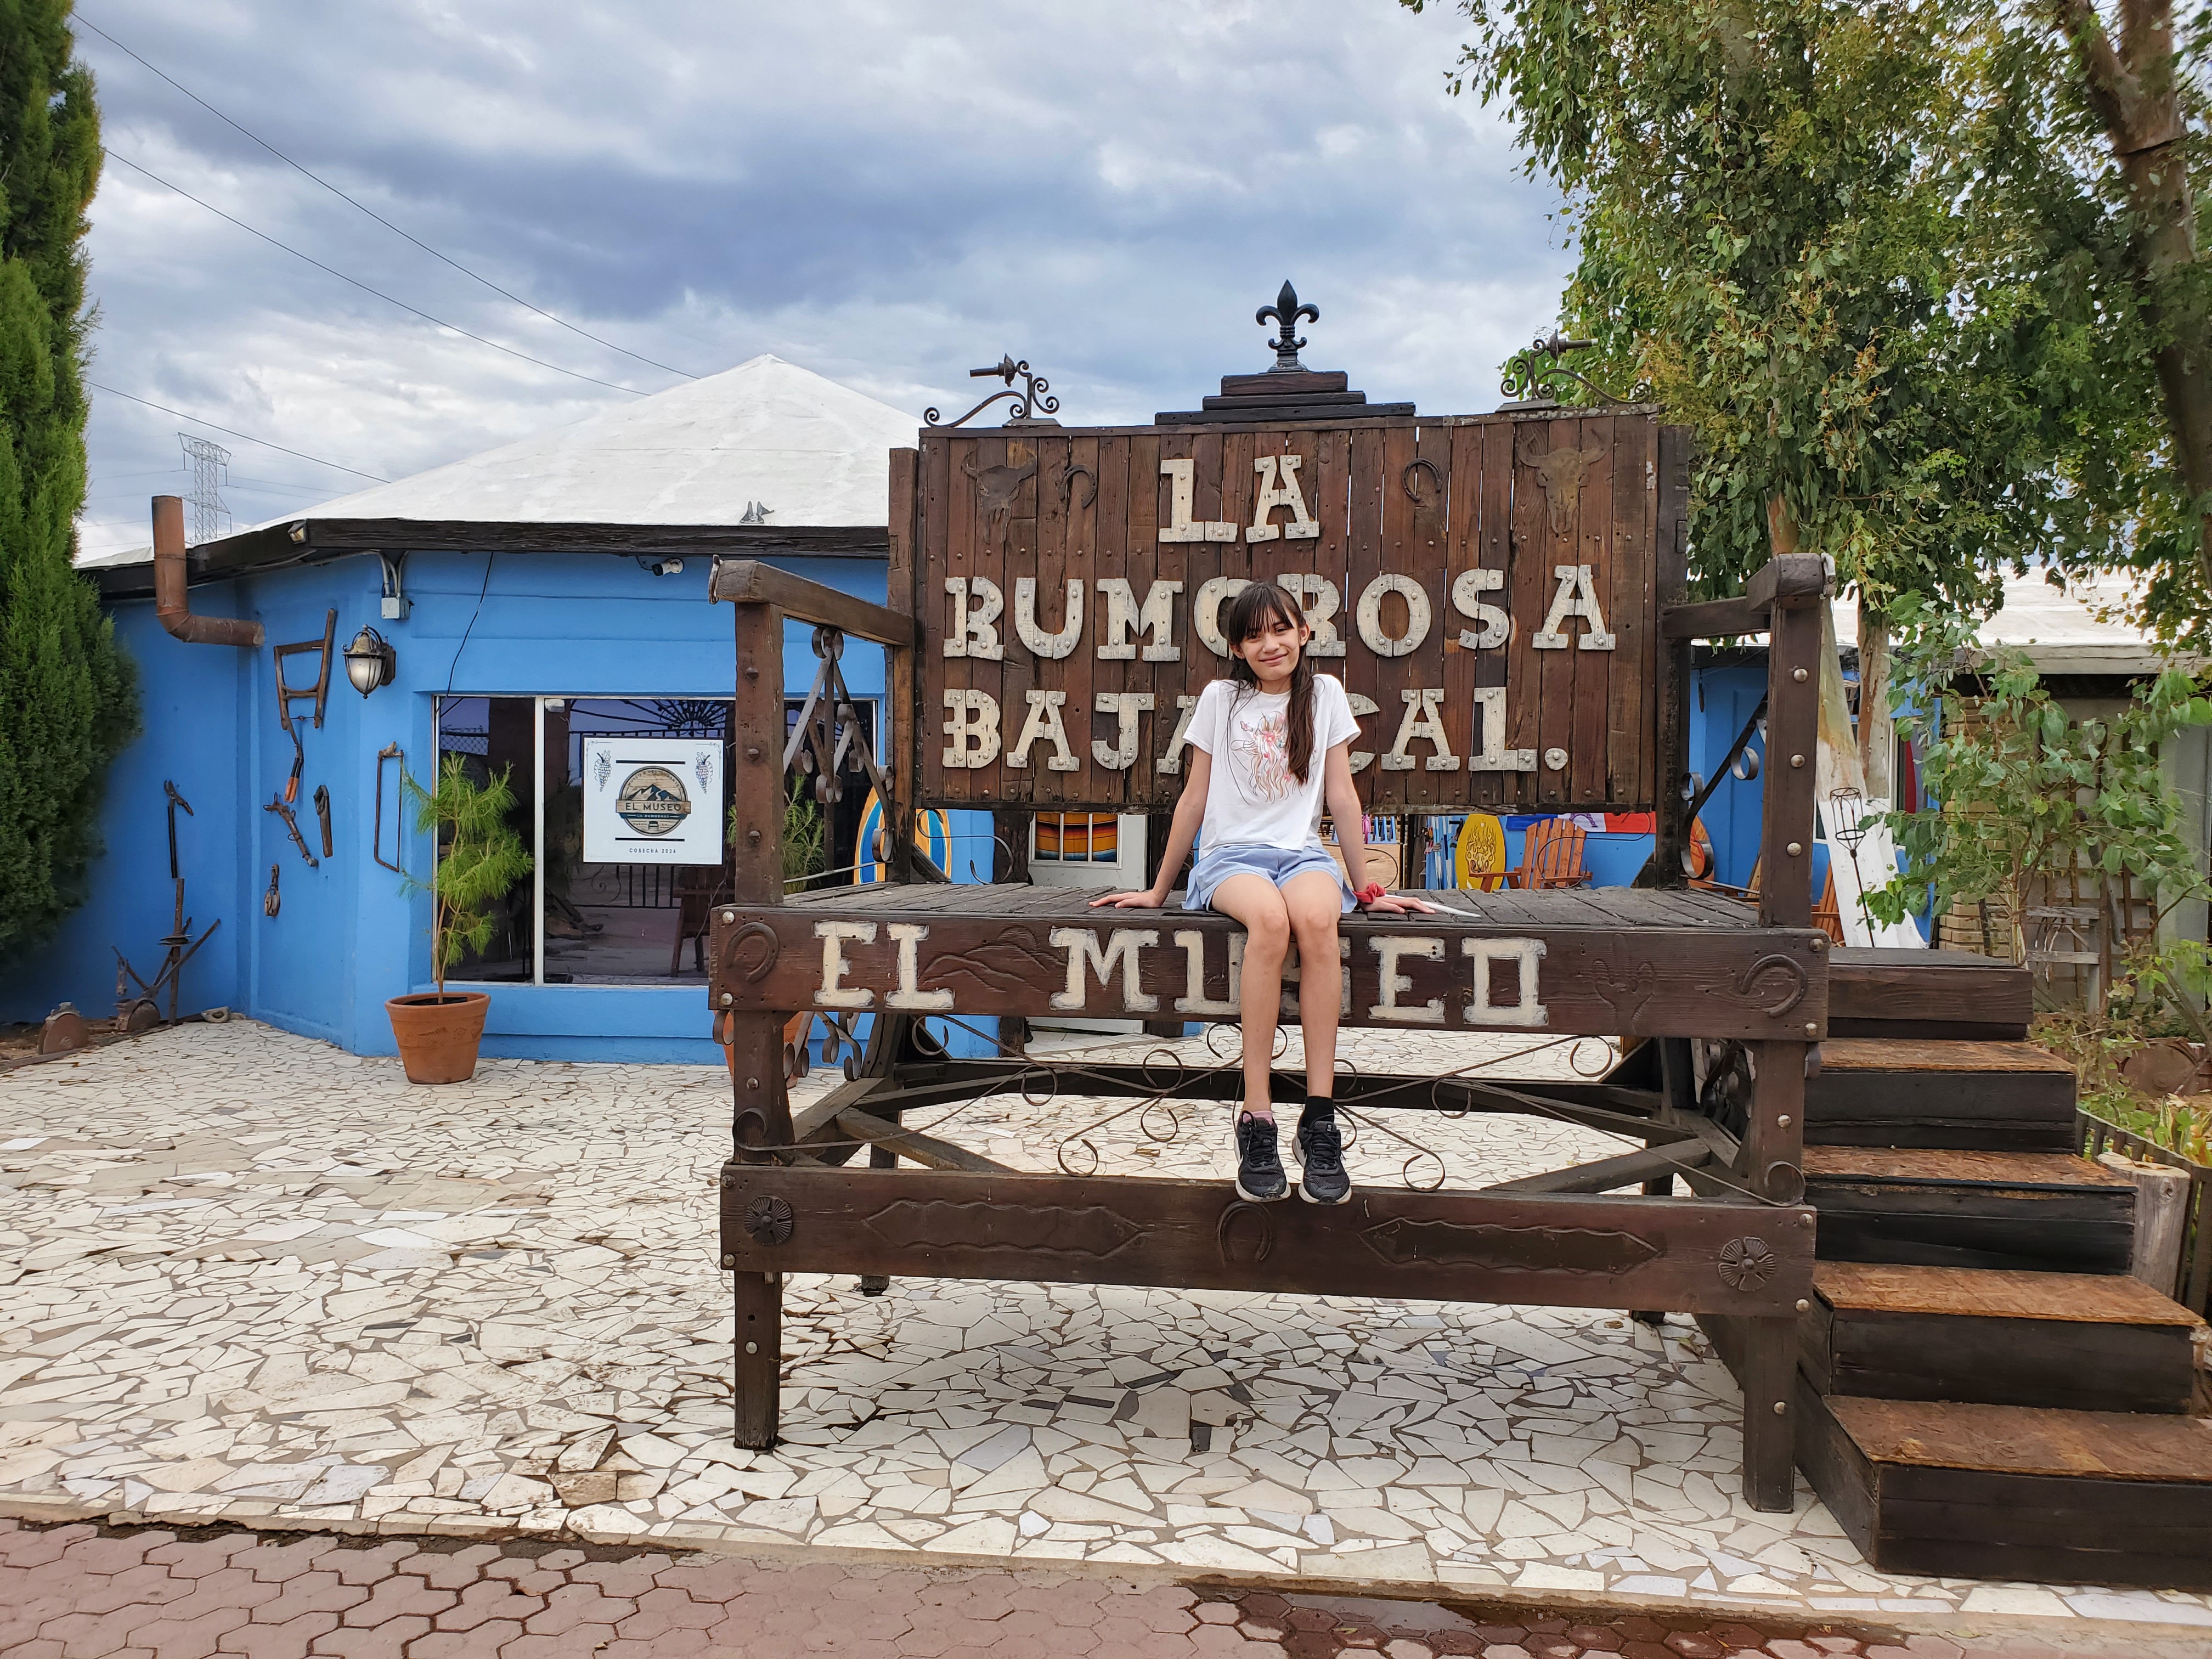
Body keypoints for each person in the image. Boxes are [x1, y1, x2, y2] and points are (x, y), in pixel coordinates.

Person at [1092, 579, 1435, 1205]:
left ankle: (1321, 1116)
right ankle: (1257, 1116)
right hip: (1232, 859)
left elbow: (1341, 795)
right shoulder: (1222, 698)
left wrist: (1365, 887)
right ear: (1237, 648)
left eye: (1281, 630)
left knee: (1316, 920)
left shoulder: (1325, 694)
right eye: (1255, 635)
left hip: (1302, 856)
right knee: (1271, 924)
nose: (1270, 644)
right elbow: (1194, 798)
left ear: (1305, 633)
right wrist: (1159, 889)